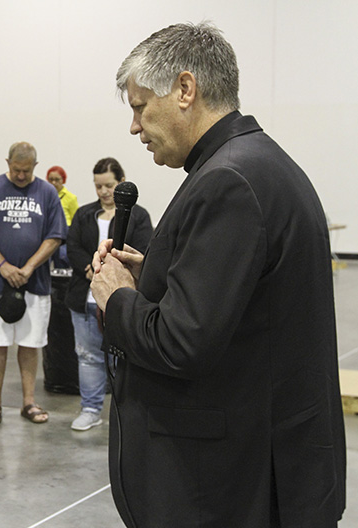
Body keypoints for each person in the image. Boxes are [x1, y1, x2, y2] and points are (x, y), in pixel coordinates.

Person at [89, 22, 346, 528]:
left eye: (140, 106)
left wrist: (117, 298)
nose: (135, 127)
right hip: (264, 469)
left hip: (230, 488)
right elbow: (245, 307)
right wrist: (159, 277)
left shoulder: (226, 181)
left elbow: (183, 342)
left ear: (185, 90)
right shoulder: (257, 163)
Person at [0, 142, 67, 424]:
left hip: (34, 282)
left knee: (30, 343)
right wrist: (2, 265)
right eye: (16, 170)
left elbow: (55, 236)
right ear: (7, 162)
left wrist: (27, 267)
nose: (21, 176)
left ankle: (29, 402)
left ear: (35, 166)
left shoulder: (47, 192)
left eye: (26, 171)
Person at [65, 158, 151, 431]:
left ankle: (122, 411)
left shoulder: (138, 215)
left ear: (121, 181)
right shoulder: (84, 213)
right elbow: (73, 246)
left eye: (109, 186)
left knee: (121, 358)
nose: (103, 191)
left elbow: (143, 249)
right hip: (85, 297)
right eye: (98, 186)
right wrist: (90, 269)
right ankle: (90, 408)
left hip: (121, 299)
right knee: (88, 355)